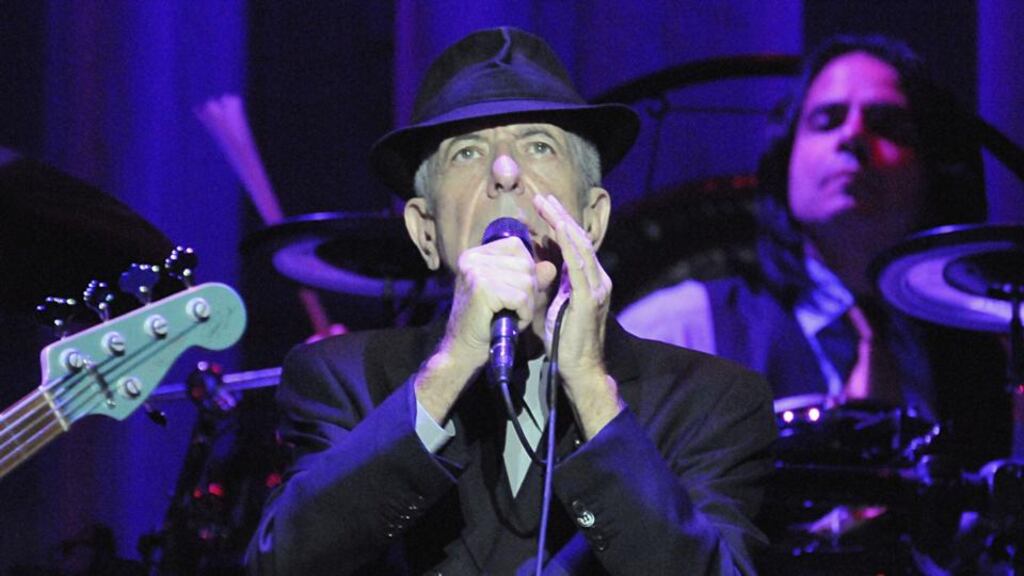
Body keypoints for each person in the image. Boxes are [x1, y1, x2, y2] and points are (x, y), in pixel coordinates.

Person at [246, 27, 776, 575]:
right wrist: (447, 372)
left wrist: (592, 391)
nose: (504, 173)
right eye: (467, 152)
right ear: (425, 231)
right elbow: (282, 564)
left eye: (539, 146)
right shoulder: (341, 379)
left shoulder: (712, 402)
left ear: (593, 219)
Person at [619, 35, 1011, 572]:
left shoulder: (986, 359)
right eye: (827, 121)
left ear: (931, 169)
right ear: (786, 163)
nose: (853, 137)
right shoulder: (682, 329)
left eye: (887, 125)